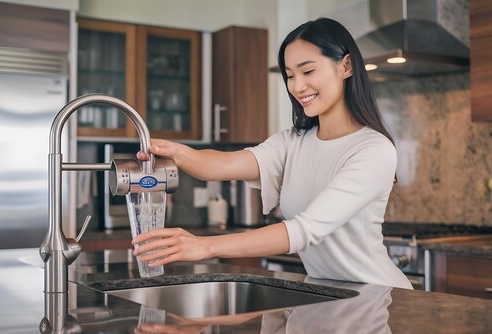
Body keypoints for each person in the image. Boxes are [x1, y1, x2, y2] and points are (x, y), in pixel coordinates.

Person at [133, 17, 412, 289]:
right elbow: (224, 165)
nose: (297, 86)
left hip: (377, 297)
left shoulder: (373, 150)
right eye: (290, 75)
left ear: (346, 66)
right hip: (330, 293)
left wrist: (205, 245)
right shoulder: (293, 142)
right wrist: (175, 152)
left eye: (308, 71)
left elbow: (305, 230)